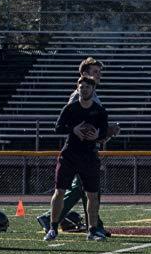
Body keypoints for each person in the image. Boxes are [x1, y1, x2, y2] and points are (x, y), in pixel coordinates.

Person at [41, 57, 119, 234]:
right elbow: (72, 124)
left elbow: (95, 126)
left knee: (86, 190)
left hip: (88, 150)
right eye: (94, 72)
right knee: (83, 190)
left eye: (99, 72)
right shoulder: (78, 96)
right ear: (84, 74)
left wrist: (105, 132)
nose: (98, 75)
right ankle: (89, 226)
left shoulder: (94, 96)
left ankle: (93, 226)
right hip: (77, 151)